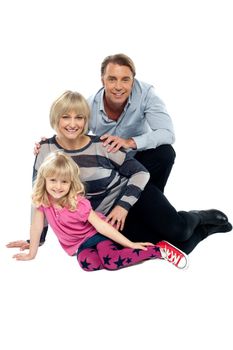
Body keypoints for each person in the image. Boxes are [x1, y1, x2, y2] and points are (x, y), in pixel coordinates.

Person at [7, 91, 232, 264]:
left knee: (179, 231)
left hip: (131, 198)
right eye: (66, 117)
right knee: (166, 246)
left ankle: (197, 217)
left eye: (79, 117)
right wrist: (37, 240)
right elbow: (39, 197)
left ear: (86, 120)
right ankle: (205, 231)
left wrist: (123, 206)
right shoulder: (46, 150)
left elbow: (141, 172)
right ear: (55, 118)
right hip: (104, 220)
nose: (73, 124)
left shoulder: (101, 145)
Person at [12, 151, 189, 271]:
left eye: (64, 182)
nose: (58, 187)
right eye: (53, 180)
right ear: (44, 180)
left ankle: (156, 251)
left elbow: (102, 227)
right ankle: (125, 254)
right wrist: (32, 253)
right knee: (86, 264)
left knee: (111, 261)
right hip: (80, 246)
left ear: (71, 183)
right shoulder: (42, 200)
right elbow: (36, 227)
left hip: (97, 235)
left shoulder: (76, 203)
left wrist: (131, 244)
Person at [35, 53, 176, 193]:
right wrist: (50, 146)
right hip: (112, 165)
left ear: (133, 80)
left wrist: (129, 142)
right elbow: (74, 136)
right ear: (103, 81)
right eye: (112, 79)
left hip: (141, 159)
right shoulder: (90, 106)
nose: (118, 86)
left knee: (165, 153)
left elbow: (167, 134)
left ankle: (152, 199)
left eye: (125, 80)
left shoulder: (147, 95)